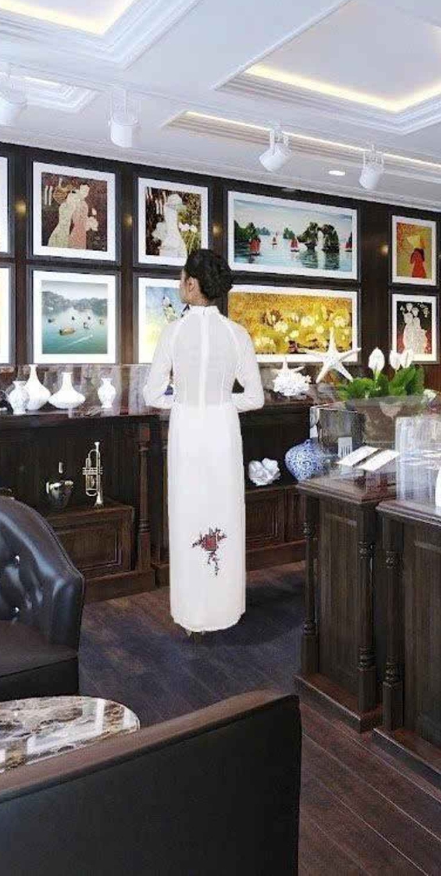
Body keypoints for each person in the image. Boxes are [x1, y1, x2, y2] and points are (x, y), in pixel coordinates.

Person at [143, 248, 264, 635]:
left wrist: (184, 403)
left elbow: (151, 394)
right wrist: (222, 403)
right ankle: (225, 606)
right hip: (223, 431)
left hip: (187, 431)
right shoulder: (237, 333)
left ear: (192, 284)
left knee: (188, 510)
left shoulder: (174, 332)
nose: (180, 283)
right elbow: (255, 398)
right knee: (224, 508)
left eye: (182, 278)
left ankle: (193, 612)